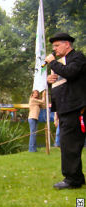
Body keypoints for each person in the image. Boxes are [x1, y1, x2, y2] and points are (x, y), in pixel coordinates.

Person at [46, 32, 86, 189]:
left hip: (75, 108)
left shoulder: (78, 58)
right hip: (64, 108)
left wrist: (53, 63)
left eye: (56, 46)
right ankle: (77, 176)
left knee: (70, 145)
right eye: (53, 47)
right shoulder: (61, 63)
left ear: (67, 44)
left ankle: (72, 180)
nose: (54, 49)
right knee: (69, 144)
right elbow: (63, 82)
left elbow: (70, 72)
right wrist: (49, 81)